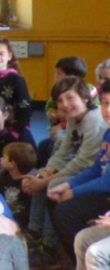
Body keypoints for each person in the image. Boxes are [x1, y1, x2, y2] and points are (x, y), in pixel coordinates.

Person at [25, 77, 109, 267]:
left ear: (86, 98)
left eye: (70, 98)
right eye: (60, 101)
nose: (64, 105)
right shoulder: (76, 119)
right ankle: (35, 232)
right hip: (93, 175)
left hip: (98, 182)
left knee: (54, 190)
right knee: (44, 179)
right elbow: (66, 153)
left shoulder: (95, 123)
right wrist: (44, 174)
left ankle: (51, 245)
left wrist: (58, 184)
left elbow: (86, 165)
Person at [51, 81, 110, 262]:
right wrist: (68, 184)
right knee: (55, 199)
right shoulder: (108, 133)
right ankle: (73, 258)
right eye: (106, 103)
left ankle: (81, 260)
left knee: (65, 212)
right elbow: (96, 168)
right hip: (104, 189)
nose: (108, 109)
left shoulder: (96, 124)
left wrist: (73, 192)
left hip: (106, 192)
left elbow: (106, 181)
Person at [0, 142, 37, 229]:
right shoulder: (3, 178)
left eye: (4, 157)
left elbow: (27, 211)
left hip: (17, 225)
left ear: (12, 164)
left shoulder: (28, 185)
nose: (1, 159)